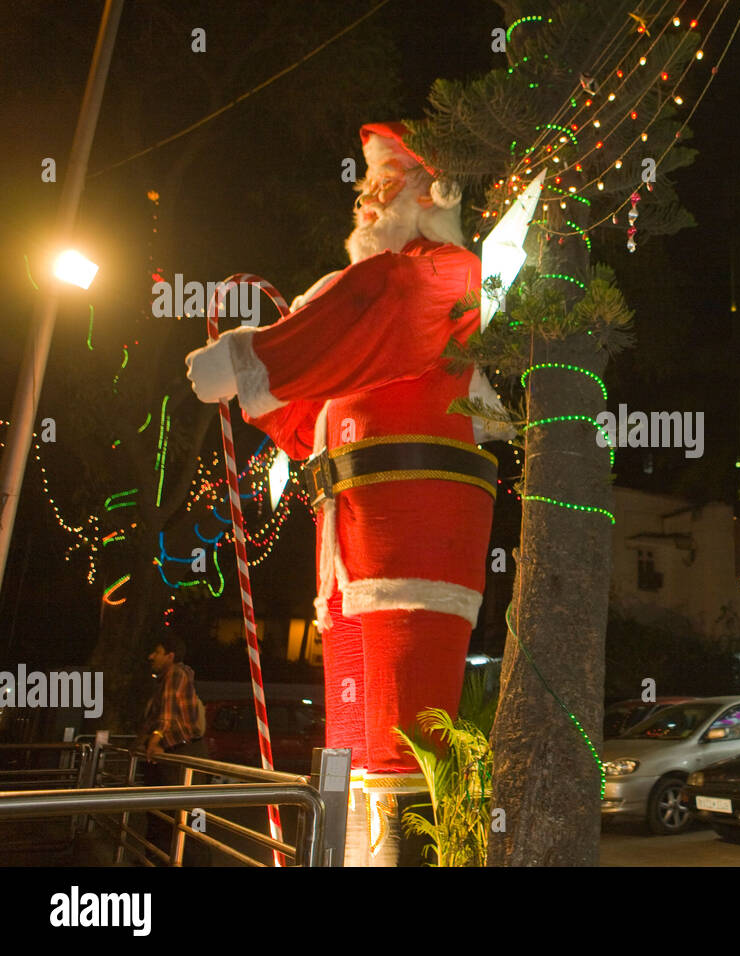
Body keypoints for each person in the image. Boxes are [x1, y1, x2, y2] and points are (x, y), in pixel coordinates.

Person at [185, 122, 506, 865]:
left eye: (386, 184)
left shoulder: (443, 274)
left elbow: (376, 306)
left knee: (403, 735)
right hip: (352, 539)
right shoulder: (375, 297)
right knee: (353, 733)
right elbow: (314, 410)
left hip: (412, 534)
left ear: (435, 195)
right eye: (365, 187)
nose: (367, 200)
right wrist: (266, 375)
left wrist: (251, 356)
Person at [138, 635, 209, 864]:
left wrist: (154, 740)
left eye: (157, 652)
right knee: (174, 814)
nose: (151, 656)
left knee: (186, 814)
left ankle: (191, 860)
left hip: (183, 753)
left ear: (170, 655)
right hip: (180, 752)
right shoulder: (168, 678)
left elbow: (167, 717)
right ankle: (165, 858)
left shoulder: (175, 674)